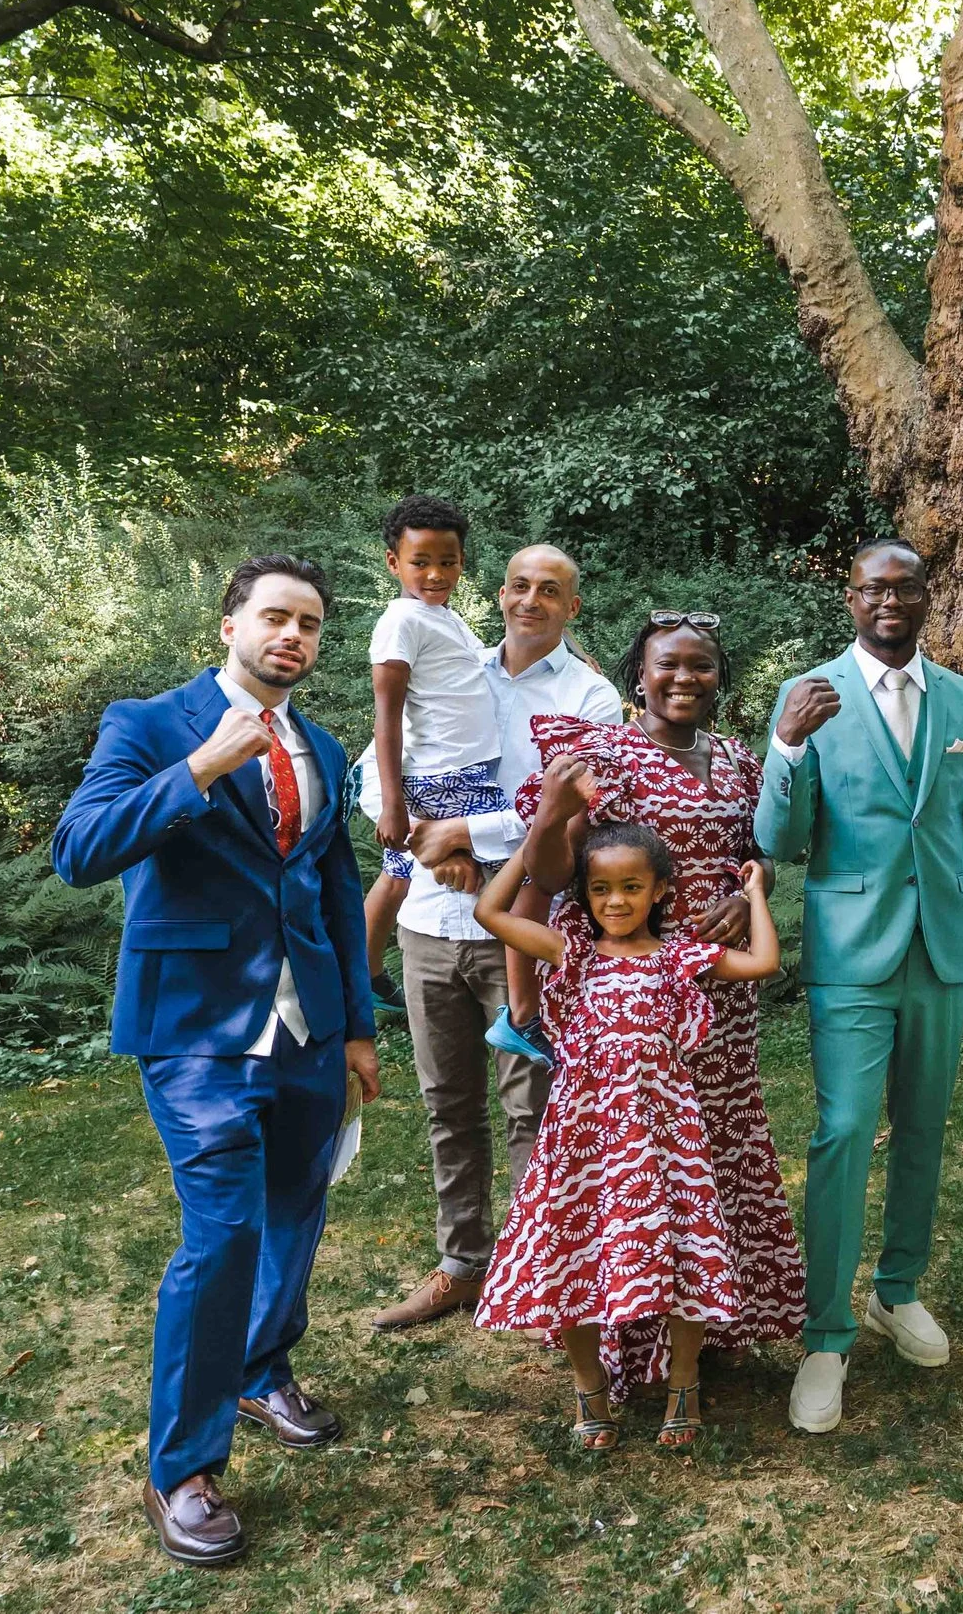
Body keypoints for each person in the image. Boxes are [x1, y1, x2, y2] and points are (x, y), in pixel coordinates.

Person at [51, 555, 380, 1567]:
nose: (294, 634)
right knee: (224, 1232)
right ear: (229, 625)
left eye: (312, 623)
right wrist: (197, 768)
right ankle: (182, 1467)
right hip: (195, 1027)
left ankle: (261, 1364)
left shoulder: (319, 741)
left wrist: (360, 1024)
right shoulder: (149, 723)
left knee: (297, 1205)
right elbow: (79, 847)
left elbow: (334, 892)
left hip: (311, 1027)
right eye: (275, 616)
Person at [756, 539, 963, 1432]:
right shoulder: (810, 697)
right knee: (841, 1132)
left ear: (926, 596)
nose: (891, 602)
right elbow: (781, 839)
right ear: (851, 595)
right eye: (875, 588)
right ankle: (825, 1334)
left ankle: (897, 1288)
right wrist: (786, 745)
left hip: (941, 951)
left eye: (907, 588)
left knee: (925, 1131)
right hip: (851, 953)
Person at [514, 613, 808, 1396]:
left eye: (702, 666)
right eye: (667, 666)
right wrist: (550, 807)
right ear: (637, 676)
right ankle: (626, 1327)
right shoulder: (601, 754)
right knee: (635, 1157)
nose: (685, 679)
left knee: (710, 1149)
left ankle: (708, 1325)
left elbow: (758, 860)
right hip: (623, 993)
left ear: (720, 676)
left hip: (718, 993)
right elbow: (549, 872)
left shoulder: (741, 762)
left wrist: (752, 898)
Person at [367, 544, 625, 1333]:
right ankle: (462, 1263)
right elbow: (376, 773)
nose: (530, 599)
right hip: (427, 927)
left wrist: (464, 833)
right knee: (447, 1104)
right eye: (518, 584)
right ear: (500, 592)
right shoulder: (453, 665)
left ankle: (542, 1273)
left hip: (526, 930)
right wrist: (424, 840)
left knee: (533, 1107)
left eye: (550, 590)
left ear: (572, 607)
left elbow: (575, 814)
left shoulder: (592, 695)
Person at [472, 822, 781, 1448]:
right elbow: (489, 910)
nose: (615, 902)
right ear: (584, 894)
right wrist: (534, 849)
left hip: (667, 1131)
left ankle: (684, 1381)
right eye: (601, 889)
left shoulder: (680, 957)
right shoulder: (572, 952)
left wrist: (755, 895)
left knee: (687, 1254)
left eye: (632, 887)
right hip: (584, 1133)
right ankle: (589, 1387)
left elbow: (765, 962)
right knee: (576, 1253)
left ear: (661, 890)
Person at [363, 496, 505, 1013]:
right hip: (448, 773)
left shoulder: (443, 617)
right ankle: (520, 1005)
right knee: (516, 867)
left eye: (448, 561)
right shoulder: (402, 619)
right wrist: (394, 802)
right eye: (420, 562)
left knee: (398, 870)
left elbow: (468, 673)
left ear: (463, 562)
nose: (436, 572)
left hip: (457, 767)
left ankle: (365, 972)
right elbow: (386, 717)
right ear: (393, 562)